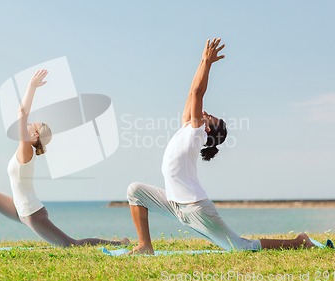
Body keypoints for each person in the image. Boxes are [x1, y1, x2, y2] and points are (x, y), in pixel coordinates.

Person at [127, 38, 316, 254]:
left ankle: (299, 242)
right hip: (174, 203)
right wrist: (201, 60)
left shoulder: (196, 133)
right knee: (136, 191)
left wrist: (207, 63)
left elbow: (198, 93)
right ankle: (145, 246)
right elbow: (191, 94)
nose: (206, 113)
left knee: (241, 247)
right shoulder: (187, 128)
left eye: (211, 117)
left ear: (208, 130)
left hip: (196, 208)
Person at [0, 69, 128, 248]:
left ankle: (119, 243)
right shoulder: (23, 149)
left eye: (34, 125)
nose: (30, 123)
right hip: (18, 208)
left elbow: (22, 112)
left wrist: (31, 87)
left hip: (32, 214)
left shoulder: (26, 150)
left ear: (35, 136)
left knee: (71, 245)